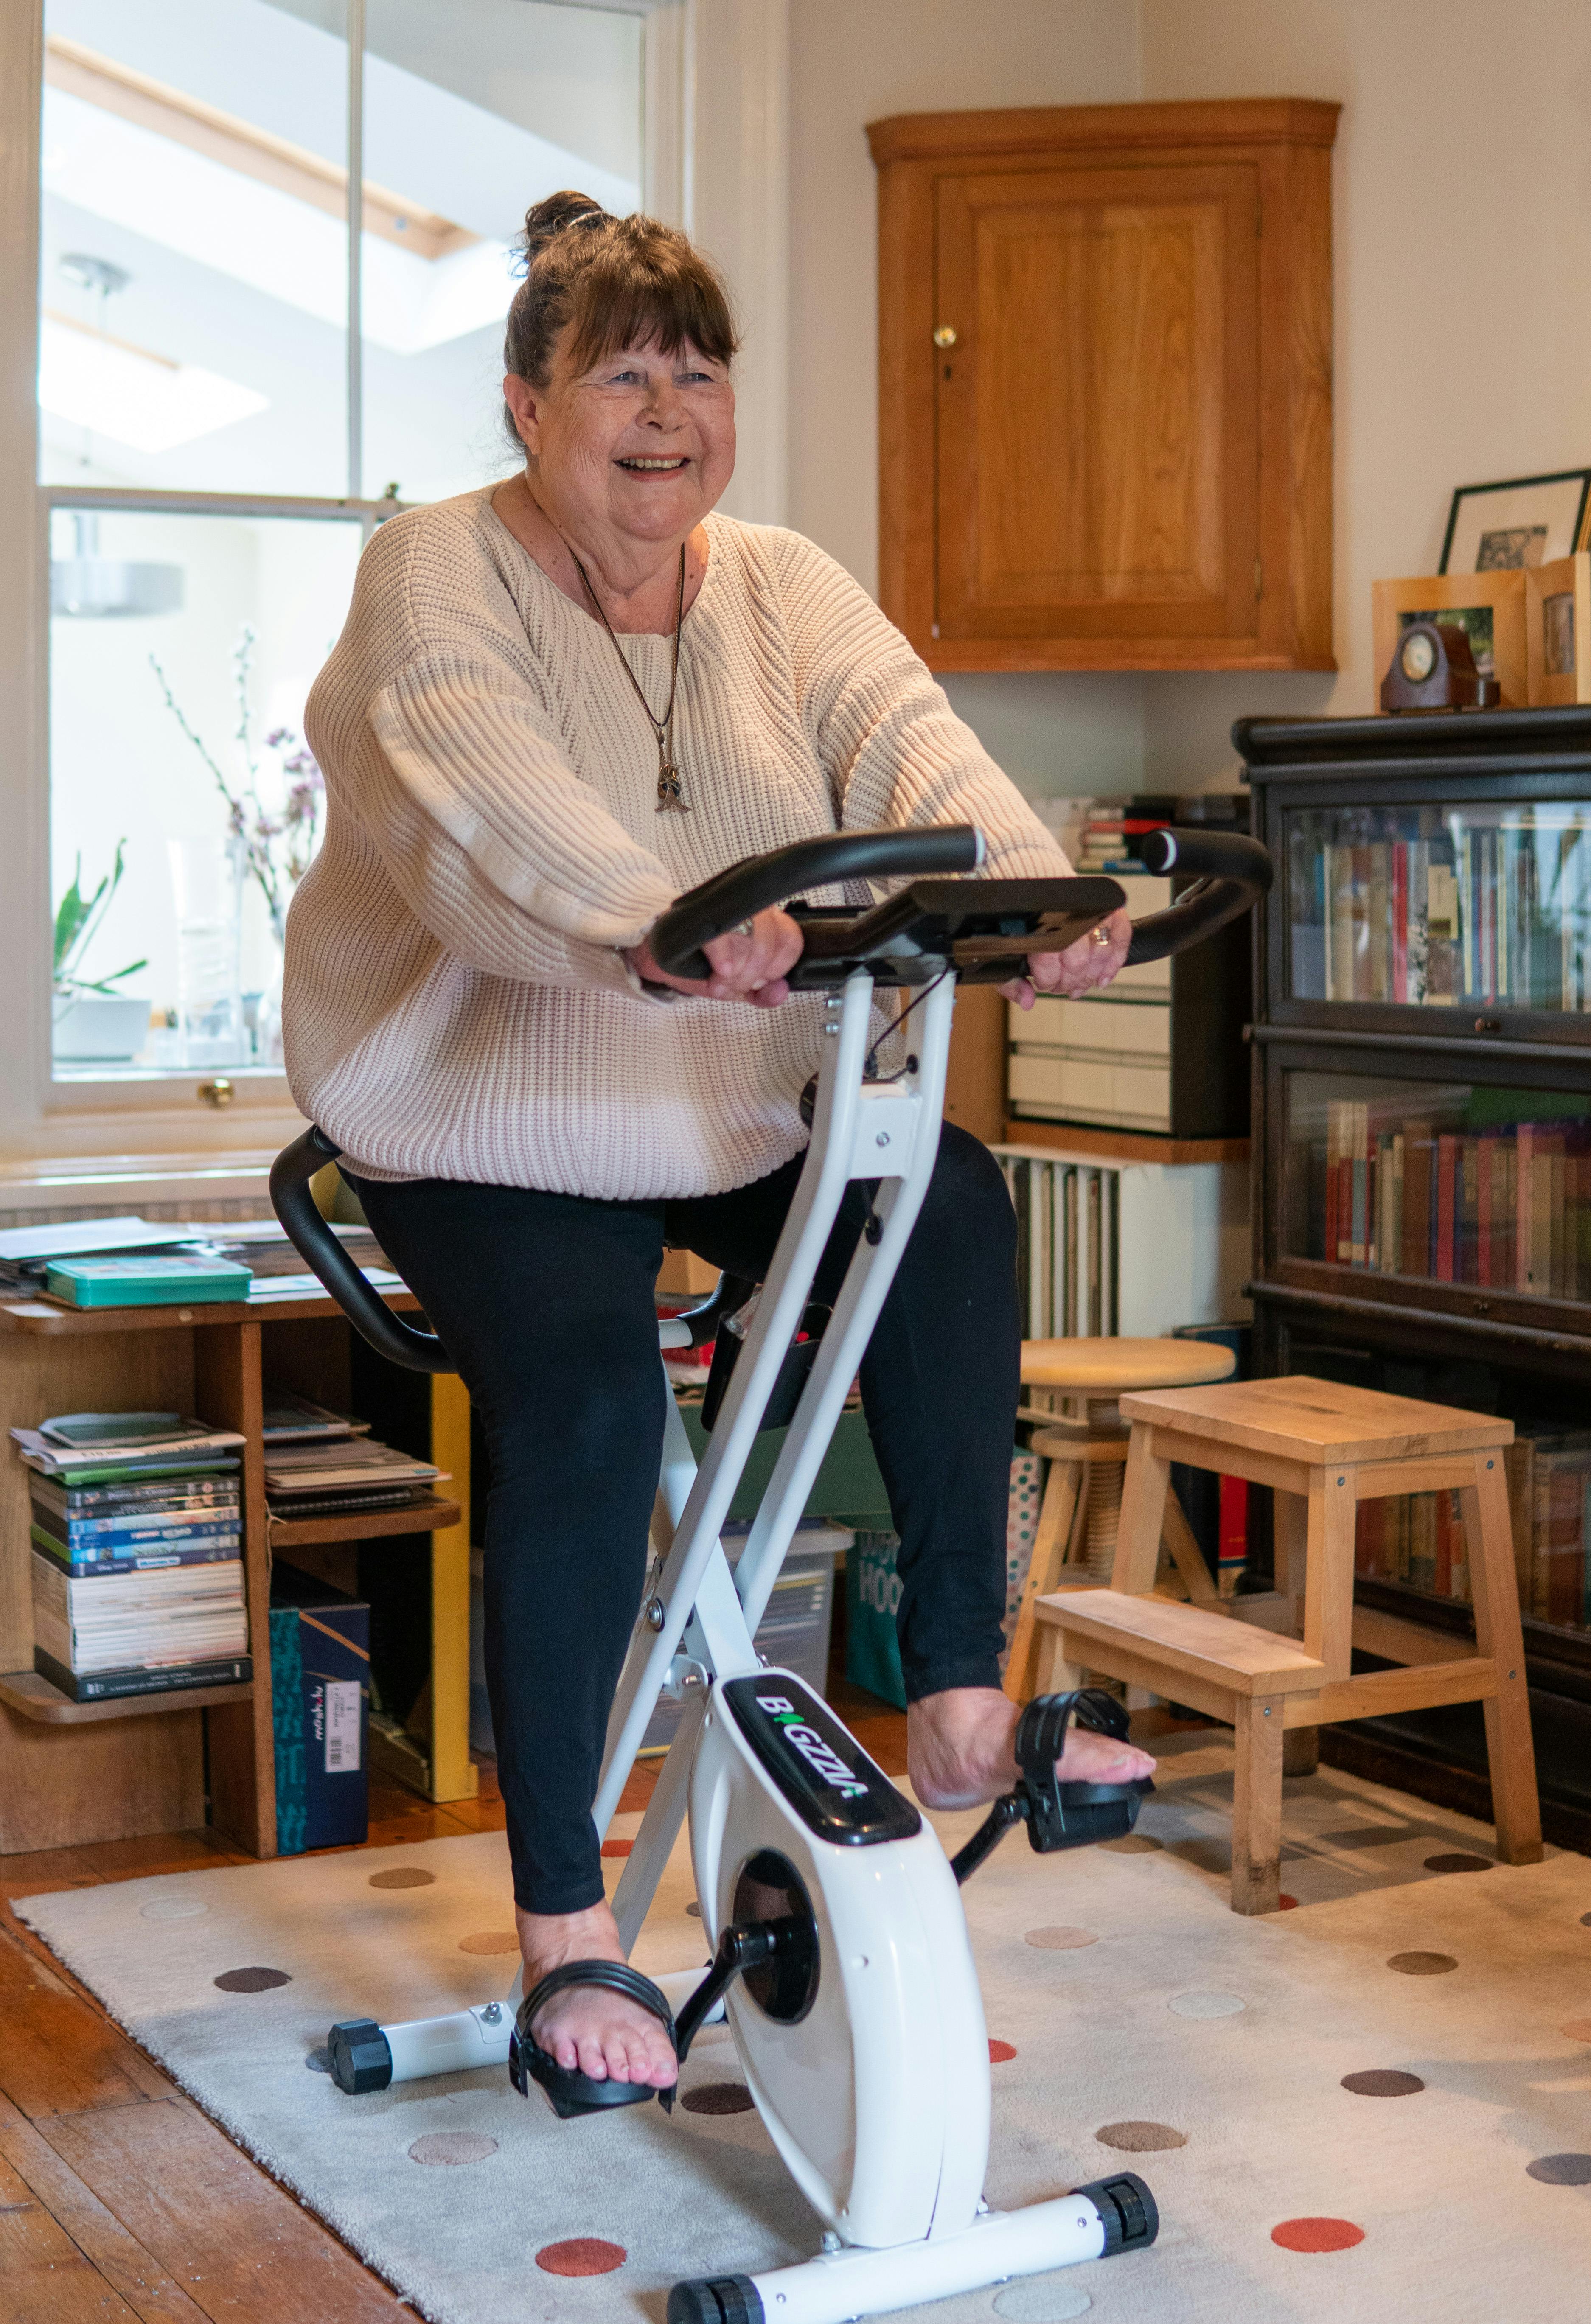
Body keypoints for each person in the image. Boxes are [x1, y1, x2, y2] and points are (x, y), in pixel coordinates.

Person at [285, 191, 1154, 2100]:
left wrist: (1042, 898)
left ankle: (950, 1697)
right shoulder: (433, 572)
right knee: (589, 1412)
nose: (666, 410)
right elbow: (473, 774)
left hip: (717, 1084)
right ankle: (565, 1937)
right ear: (529, 405)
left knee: (938, 1204)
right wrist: (640, 919)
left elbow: (907, 741)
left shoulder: (774, 581)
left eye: (697, 374)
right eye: (621, 375)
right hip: (482, 1098)